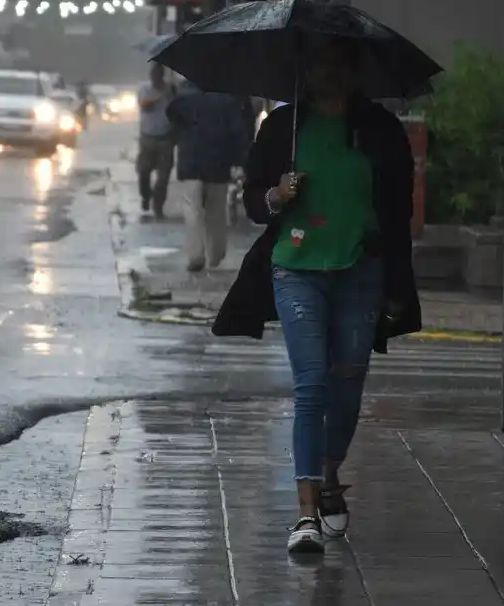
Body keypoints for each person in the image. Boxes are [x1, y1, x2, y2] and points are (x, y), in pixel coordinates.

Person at [211, 36, 422, 554]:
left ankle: (329, 473)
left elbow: (398, 213)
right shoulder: (283, 128)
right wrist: (276, 195)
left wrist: (397, 284)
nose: (326, 75)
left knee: (347, 381)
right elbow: (255, 205)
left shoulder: (379, 129)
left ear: (353, 73)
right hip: (296, 268)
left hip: (361, 270)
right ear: (304, 71)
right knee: (310, 385)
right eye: (318, 64)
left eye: (337, 65)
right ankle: (305, 514)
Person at [165, 79, 251, 272]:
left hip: (190, 163)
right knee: (216, 212)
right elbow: (238, 132)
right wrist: (239, 161)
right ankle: (216, 255)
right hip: (218, 164)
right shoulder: (228, 101)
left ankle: (196, 255)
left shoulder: (184, 100)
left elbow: (170, 115)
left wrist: (173, 94)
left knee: (192, 209)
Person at [135, 63, 176, 218]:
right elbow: (145, 106)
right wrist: (159, 95)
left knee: (163, 177)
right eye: (153, 74)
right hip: (147, 138)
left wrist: (170, 95)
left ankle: (158, 206)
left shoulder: (171, 90)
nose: (155, 77)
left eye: (158, 74)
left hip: (165, 138)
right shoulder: (144, 89)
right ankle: (146, 196)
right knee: (143, 172)